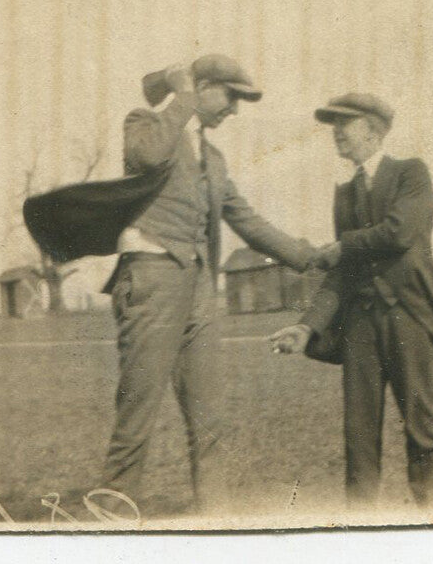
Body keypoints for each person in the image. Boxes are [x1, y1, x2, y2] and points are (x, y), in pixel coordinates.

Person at [97, 54, 314, 515]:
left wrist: (309, 256)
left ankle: (215, 525)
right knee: (136, 420)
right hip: (152, 278)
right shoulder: (145, 124)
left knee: (210, 421)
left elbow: (246, 220)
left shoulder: (213, 159)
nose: (234, 110)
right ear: (203, 88)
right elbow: (148, 156)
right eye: (231, 97)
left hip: (200, 290)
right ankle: (109, 524)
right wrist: (182, 95)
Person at [270, 93, 433, 509]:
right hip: (360, 328)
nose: (336, 132)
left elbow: (399, 232)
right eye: (333, 124)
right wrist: (307, 326)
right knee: (359, 439)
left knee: (421, 432)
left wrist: (343, 245)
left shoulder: (411, 173)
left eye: (344, 123)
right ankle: (360, 528)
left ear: (373, 131)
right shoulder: (345, 193)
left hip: (409, 318)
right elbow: (342, 271)